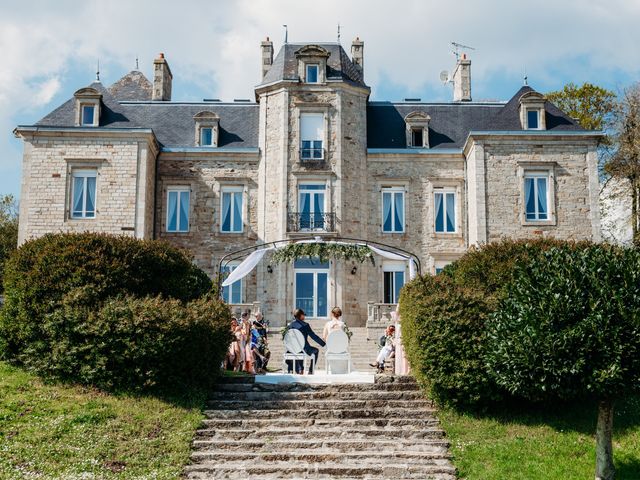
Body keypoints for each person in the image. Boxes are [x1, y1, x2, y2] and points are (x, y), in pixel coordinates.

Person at [285, 308, 326, 374]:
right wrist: (323, 344)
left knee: (299, 350)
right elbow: (313, 336)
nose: (304, 316)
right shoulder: (305, 325)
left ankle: (298, 369)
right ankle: (310, 371)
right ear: (301, 316)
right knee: (316, 351)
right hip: (304, 349)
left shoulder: (290, 326)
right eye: (304, 315)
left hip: (292, 349)